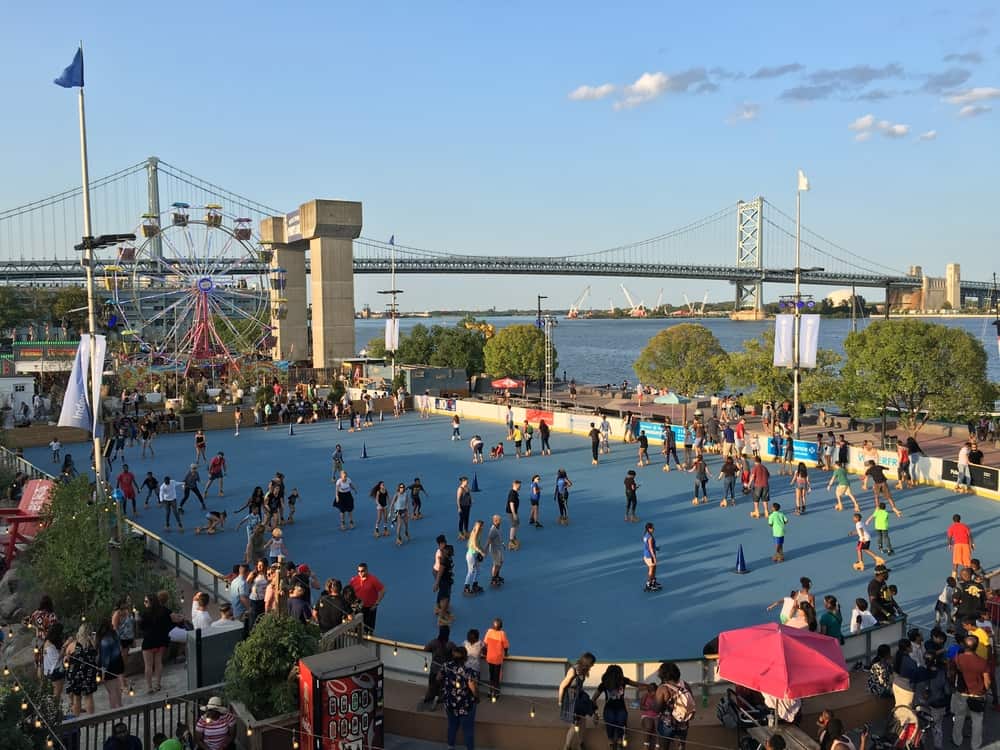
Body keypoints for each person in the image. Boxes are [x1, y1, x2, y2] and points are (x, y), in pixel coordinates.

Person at [951, 635, 991, 749]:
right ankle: (975, 744)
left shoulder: (957, 658)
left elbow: (951, 674)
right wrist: (984, 691)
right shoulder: (982, 662)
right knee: (977, 721)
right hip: (978, 694)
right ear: (976, 646)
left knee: (959, 717)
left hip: (962, 692)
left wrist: (953, 686)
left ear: (964, 645)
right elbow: (987, 682)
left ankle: (957, 740)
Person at [592, 664, 640, 750]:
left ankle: (619, 743)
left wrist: (649, 687)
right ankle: (611, 743)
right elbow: (593, 699)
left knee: (621, 724)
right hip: (609, 709)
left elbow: (637, 684)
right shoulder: (604, 684)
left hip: (621, 709)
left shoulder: (623, 681)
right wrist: (595, 713)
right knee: (610, 725)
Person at [441, 645, 478, 750]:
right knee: (468, 730)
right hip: (465, 705)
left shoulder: (446, 666)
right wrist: (477, 697)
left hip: (450, 703)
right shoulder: (468, 671)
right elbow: (472, 687)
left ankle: (450, 746)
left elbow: (439, 677)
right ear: (465, 658)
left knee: (452, 726)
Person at [558, 652, 597, 750]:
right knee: (574, 724)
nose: (592, 666)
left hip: (579, 697)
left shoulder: (584, 670)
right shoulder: (572, 671)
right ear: (587, 663)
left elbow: (579, 686)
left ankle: (580, 743)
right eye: (592, 664)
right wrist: (560, 701)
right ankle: (567, 747)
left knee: (583, 721)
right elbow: (562, 686)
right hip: (572, 700)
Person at [655, 661, 696, 750]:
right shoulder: (685, 685)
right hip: (683, 723)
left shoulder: (663, 688)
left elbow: (657, 709)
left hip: (667, 724)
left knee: (664, 747)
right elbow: (691, 702)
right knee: (681, 747)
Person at [422, 624, 454, 708]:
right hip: (445, 670)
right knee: (442, 687)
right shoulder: (450, 644)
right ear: (448, 634)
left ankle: (429, 698)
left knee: (432, 685)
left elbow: (425, 649)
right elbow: (456, 654)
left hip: (434, 669)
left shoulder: (433, 642)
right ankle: (440, 699)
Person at [349, 562, 385, 633]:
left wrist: (376, 603)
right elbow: (349, 592)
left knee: (369, 629)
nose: (360, 573)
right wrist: (351, 603)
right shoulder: (353, 580)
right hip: (358, 608)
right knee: (357, 628)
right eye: (358, 571)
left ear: (367, 570)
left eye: (362, 571)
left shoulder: (373, 579)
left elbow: (382, 590)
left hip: (370, 608)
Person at [483, 617, 510, 700]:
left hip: (490, 658)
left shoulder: (489, 632)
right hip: (497, 659)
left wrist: (485, 653)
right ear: (501, 626)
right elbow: (506, 646)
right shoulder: (502, 634)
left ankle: (490, 691)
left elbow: (485, 644)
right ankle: (496, 693)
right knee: (497, 677)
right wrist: (506, 654)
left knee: (491, 676)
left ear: (493, 626)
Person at [947, 514, 975, 578]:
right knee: (966, 563)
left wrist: (949, 544)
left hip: (957, 546)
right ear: (960, 519)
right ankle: (968, 577)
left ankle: (954, 578)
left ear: (953, 520)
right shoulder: (965, 526)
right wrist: (972, 544)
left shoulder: (951, 527)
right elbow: (970, 535)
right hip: (966, 545)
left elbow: (949, 537)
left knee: (955, 563)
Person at [464, 520, 485, 596]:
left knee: (478, 570)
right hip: (471, 556)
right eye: (481, 526)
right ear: (479, 526)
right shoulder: (474, 534)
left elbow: (478, 544)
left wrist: (483, 550)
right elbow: (474, 546)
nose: (483, 527)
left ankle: (474, 585)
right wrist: (481, 552)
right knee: (471, 571)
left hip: (475, 555)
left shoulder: (479, 534)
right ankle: (466, 587)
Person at [486, 515, 505, 587]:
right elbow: (489, 540)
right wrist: (485, 550)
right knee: (496, 564)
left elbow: (499, 537)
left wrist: (502, 543)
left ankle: (497, 576)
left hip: (499, 548)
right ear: (495, 521)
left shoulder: (497, 527)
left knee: (501, 562)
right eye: (499, 520)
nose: (501, 521)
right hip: (495, 550)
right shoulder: (493, 530)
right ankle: (493, 579)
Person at [642, 522, 661, 592]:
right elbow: (650, 548)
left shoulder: (646, 535)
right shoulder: (650, 537)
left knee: (654, 568)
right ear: (649, 529)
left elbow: (649, 546)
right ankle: (648, 585)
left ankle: (653, 582)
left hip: (646, 555)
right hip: (650, 556)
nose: (654, 529)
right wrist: (654, 557)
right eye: (652, 528)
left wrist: (656, 548)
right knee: (651, 570)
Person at [456, 476, 473, 540]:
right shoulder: (460, 489)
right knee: (462, 519)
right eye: (466, 481)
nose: (467, 481)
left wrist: (471, 501)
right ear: (463, 481)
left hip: (467, 506)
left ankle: (466, 531)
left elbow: (469, 495)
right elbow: (458, 499)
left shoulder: (467, 487)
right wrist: (459, 507)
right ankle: (460, 532)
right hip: (462, 506)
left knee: (466, 518)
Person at [506, 480, 521, 551]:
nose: (520, 486)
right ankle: (511, 541)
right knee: (513, 525)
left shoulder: (515, 492)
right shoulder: (512, 493)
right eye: (519, 485)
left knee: (517, 523)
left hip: (514, 512)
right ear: (515, 485)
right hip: (511, 512)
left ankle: (513, 537)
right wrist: (514, 514)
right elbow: (511, 504)